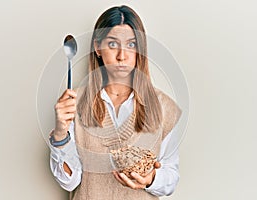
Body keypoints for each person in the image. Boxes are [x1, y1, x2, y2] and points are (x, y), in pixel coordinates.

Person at [49, 5, 181, 200]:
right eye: (112, 44)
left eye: (131, 45)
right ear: (97, 48)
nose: (122, 56)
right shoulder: (74, 103)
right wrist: (60, 134)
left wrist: (151, 178)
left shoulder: (165, 107)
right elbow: (70, 181)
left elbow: (171, 177)